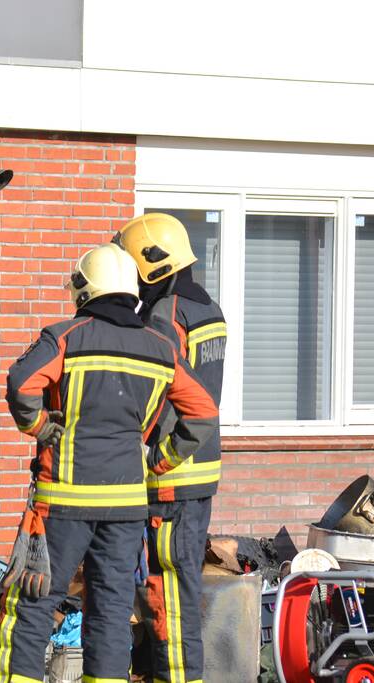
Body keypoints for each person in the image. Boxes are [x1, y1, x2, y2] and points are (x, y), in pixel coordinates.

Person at [0, 244, 219, 683]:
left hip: (62, 504)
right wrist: (161, 459)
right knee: (112, 612)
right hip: (126, 509)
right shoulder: (161, 348)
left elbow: (21, 384)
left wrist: (39, 426)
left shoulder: (64, 336)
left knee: (33, 604)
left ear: (85, 291)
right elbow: (204, 413)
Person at [114, 212, 227, 683]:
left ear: (150, 267)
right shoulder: (208, 308)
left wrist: (143, 455)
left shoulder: (165, 314)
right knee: (180, 587)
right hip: (199, 471)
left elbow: (155, 392)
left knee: (168, 595)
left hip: (169, 475)